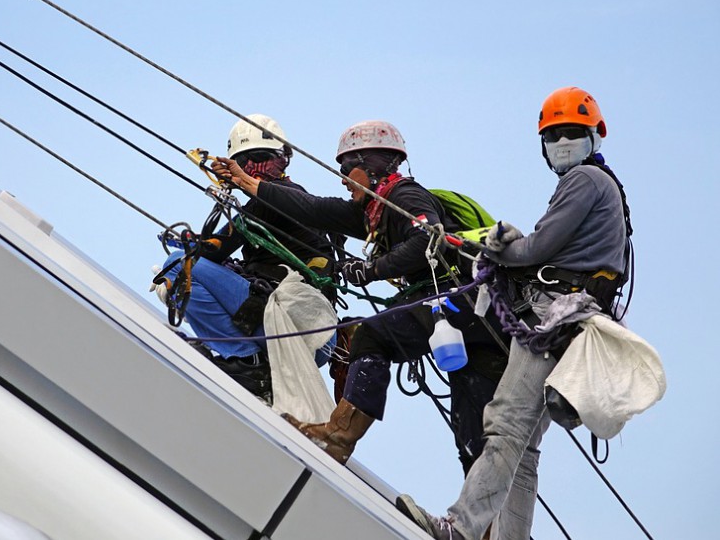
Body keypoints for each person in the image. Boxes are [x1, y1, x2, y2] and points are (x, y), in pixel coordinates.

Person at [396, 87, 631, 539]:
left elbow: (538, 249)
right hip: (574, 323)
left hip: (557, 319)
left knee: (504, 423)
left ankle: (459, 529)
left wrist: (494, 248)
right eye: (554, 134)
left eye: (570, 132)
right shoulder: (607, 187)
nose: (562, 141)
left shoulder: (583, 180)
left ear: (593, 136)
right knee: (523, 449)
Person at [213, 120, 510, 469]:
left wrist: (372, 270)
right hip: (473, 317)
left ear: (372, 164)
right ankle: (482, 524)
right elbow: (312, 208)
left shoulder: (404, 196)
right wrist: (250, 183)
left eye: (345, 168)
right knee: (470, 426)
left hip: (462, 300)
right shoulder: (372, 211)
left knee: (372, 334)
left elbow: (425, 239)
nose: (341, 178)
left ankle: (338, 435)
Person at [159, 114, 336, 404]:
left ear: (283, 160)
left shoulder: (275, 198)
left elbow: (215, 247)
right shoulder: (295, 200)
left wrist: (191, 244)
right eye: (243, 163)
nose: (252, 169)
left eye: (260, 158)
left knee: (179, 265)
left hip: (294, 323)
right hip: (313, 335)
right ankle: (255, 367)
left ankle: (244, 360)